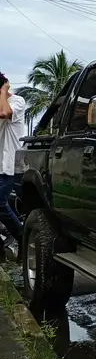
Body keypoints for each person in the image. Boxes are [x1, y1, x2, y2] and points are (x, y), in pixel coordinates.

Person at [0, 72, 26, 246]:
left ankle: (23, 238)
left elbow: (4, 113)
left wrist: (4, 90)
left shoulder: (17, 101)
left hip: (10, 166)